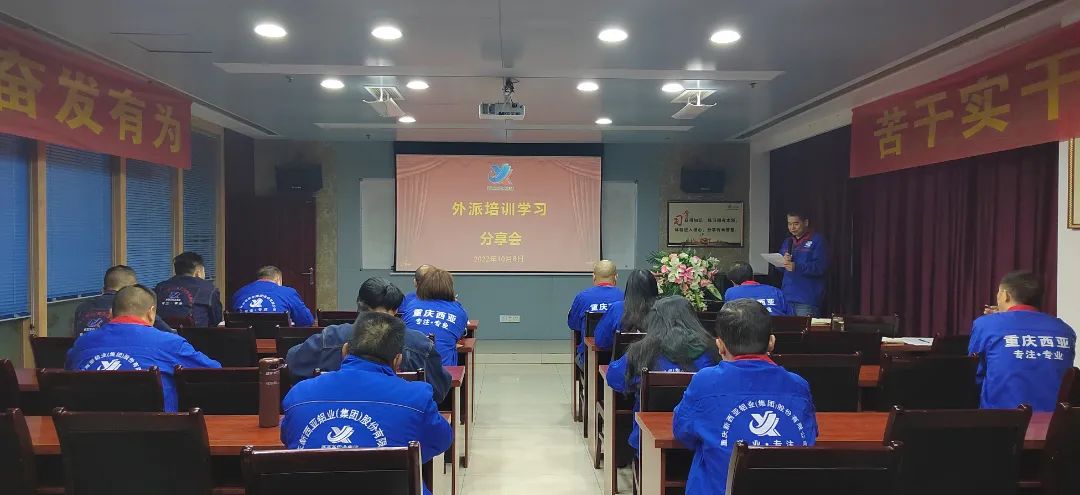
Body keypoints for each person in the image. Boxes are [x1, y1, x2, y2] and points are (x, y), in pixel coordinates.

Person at [281, 312, 452, 495]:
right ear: (397, 360)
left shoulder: (298, 395)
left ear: (344, 350)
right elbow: (441, 441)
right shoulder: (417, 397)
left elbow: (289, 439)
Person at [673, 299, 818, 495]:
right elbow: (808, 438)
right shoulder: (798, 386)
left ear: (720, 345)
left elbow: (683, 433)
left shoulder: (704, 382)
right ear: (771, 342)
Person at [286, 278, 452, 402]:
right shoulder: (419, 344)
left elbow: (293, 364)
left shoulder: (329, 338)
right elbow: (439, 390)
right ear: (395, 311)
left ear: (359, 306)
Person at [65, 285, 221, 412]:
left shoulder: (81, 344)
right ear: (151, 313)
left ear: (111, 314)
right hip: (156, 436)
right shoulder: (170, 343)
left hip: (89, 437)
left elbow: (69, 374)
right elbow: (215, 373)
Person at [607, 296, 720, 455]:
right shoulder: (712, 350)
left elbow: (614, 379)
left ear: (654, 320)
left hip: (648, 441)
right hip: (701, 440)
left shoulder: (641, 351)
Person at [969, 271, 1076, 412]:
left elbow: (973, 374)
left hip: (1000, 420)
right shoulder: (1065, 330)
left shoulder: (985, 325)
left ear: (1005, 295)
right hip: (1055, 422)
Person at [74, 265, 175, 336]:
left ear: (104, 287)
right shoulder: (135, 306)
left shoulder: (82, 307)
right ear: (131, 288)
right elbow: (170, 334)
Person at [403, 268, 468, 367]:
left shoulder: (412, 305)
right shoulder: (458, 311)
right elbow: (459, 336)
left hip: (410, 369)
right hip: (444, 370)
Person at [569, 260, 623, 364]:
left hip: (588, 358)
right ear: (616, 277)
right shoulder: (624, 297)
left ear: (593, 277)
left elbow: (573, 324)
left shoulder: (582, 297)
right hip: (618, 360)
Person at [594, 268, 659, 350]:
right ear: (654, 287)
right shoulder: (662, 309)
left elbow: (601, 342)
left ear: (629, 288)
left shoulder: (617, 309)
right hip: (657, 357)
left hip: (624, 357)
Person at [778, 211, 828, 317]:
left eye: (796, 224)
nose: (792, 228)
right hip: (787, 297)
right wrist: (781, 262)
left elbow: (820, 267)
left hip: (806, 299)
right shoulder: (788, 242)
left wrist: (797, 267)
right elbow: (781, 268)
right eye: (789, 224)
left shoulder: (817, 240)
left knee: (804, 327)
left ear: (805, 223)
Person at [154, 252, 223, 327]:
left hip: (162, 333)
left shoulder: (160, 287)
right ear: (198, 273)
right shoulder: (209, 289)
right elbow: (216, 320)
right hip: (197, 333)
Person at [231, 265, 315, 327]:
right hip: (279, 343)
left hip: (246, 344)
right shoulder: (288, 292)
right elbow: (306, 321)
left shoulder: (239, 293)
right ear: (278, 279)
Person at [722, 262, 791, 315]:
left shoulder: (731, 292)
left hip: (748, 328)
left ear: (732, 281)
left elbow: (726, 316)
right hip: (778, 328)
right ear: (752, 276)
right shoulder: (776, 291)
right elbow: (791, 315)